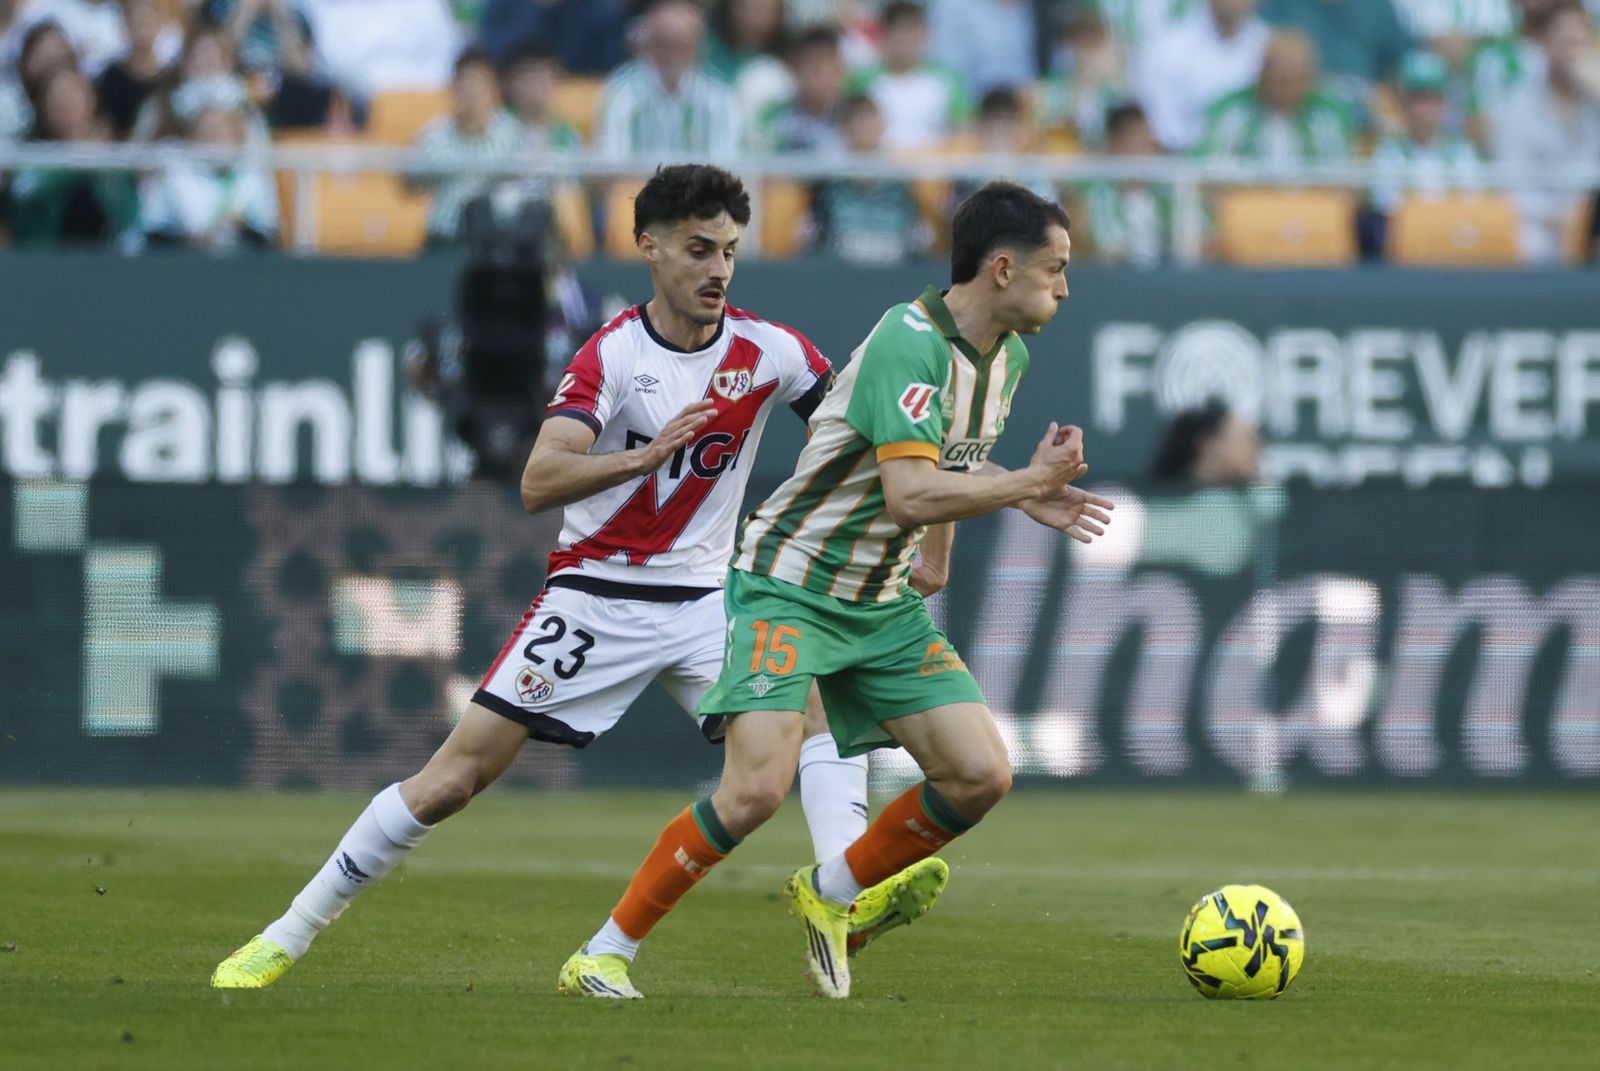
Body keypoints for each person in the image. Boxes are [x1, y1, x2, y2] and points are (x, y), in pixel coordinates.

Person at [208, 164, 951, 991]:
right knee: (454, 779)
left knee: (814, 719)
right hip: (597, 596)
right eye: (699, 250)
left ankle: (829, 894)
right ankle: (286, 933)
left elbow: (858, 436)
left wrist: (918, 505)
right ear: (650, 249)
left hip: (712, 599)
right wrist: (645, 454)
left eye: (730, 252)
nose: (717, 270)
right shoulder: (614, 354)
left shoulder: (770, 350)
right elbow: (538, 479)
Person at [558, 181, 1115, 1001]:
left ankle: (834, 891)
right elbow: (910, 494)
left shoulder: (1009, 356)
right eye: (1055, 268)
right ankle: (603, 952)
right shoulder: (907, 338)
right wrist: (1024, 482)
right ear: (1002, 268)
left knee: (980, 774)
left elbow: (947, 461)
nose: (1064, 288)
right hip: (790, 585)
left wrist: (964, 536)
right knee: (753, 791)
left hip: (879, 601)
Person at [1487, 1, 1600, 264]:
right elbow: (1511, 187)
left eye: (1580, 41)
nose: (1573, 52)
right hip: (1539, 229)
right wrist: (1560, 217)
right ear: (1545, 45)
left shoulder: (1595, 102)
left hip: (1592, 225)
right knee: (1529, 243)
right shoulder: (1517, 108)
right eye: (1565, 40)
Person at [3, 64, 140, 246]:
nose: (66, 103)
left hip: (107, 261)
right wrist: (80, 161)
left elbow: (130, 215)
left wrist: (97, 161)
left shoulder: (110, 157)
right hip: (41, 257)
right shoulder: (31, 156)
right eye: (57, 96)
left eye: (73, 93)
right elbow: (24, 197)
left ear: (91, 98)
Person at [595, 0, 743, 158]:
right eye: (664, 43)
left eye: (682, 45)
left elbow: (728, 164)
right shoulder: (621, 92)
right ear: (648, 45)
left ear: (698, 48)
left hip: (701, 184)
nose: (672, 54)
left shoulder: (720, 96)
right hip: (637, 183)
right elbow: (610, 164)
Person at [409, 47, 524, 246]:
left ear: (495, 90)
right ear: (452, 90)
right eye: (464, 84)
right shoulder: (434, 135)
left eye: (479, 84)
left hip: (498, 239)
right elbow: (409, 184)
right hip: (444, 237)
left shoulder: (513, 133)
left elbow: (525, 182)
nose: (471, 93)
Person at [1197, 30, 1356, 169]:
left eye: (1292, 79)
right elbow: (1204, 172)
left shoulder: (1328, 114)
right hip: (1246, 200)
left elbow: (1347, 180)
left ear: (1309, 80)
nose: (1283, 87)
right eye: (1277, 76)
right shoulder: (1232, 111)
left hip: (1312, 201)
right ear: (1261, 73)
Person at [140, 96, 278, 249]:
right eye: (203, 133)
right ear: (190, 137)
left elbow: (266, 232)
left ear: (237, 137)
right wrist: (190, 239)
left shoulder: (251, 177)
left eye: (218, 133)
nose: (210, 140)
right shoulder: (173, 173)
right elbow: (153, 229)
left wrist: (238, 228)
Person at [1135, 0, 1270, 150]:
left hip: (1253, 164)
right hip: (1184, 162)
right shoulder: (1167, 50)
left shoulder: (1269, 47)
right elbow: (1161, 125)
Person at [808, 94, 926, 263]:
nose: (865, 128)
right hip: (843, 264)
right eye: (857, 121)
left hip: (896, 262)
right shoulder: (828, 181)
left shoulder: (905, 177)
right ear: (843, 129)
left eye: (870, 120)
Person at [843, 0, 973, 150]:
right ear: (885, 34)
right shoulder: (861, 80)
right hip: (877, 167)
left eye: (913, 31)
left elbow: (964, 132)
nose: (906, 39)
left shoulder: (950, 79)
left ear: (925, 34)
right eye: (900, 31)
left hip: (935, 168)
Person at [1369, 50, 1483, 220]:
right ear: (1404, 103)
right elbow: (1386, 206)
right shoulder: (1389, 151)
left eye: (1433, 99)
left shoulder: (1462, 152)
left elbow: (1473, 202)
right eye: (1419, 99)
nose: (1425, 109)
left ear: (1444, 103)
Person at [1074, 102, 1172, 266]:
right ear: (1112, 145)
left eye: (1146, 143)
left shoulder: (1171, 196)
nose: (1142, 154)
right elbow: (1089, 251)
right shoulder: (1090, 198)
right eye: (1133, 143)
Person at [753, 23, 846, 154]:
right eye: (811, 62)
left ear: (840, 68)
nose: (819, 71)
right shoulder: (774, 116)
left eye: (826, 62)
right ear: (795, 68)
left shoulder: (858, 114)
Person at [927, 0, 1038, 96]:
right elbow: (949, 79)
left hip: (1033, 110)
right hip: (975, 112)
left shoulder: (1042, 8)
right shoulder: (954, 7)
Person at [93, 0, 168, 138]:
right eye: (137, 23)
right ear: (124, 26)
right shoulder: (111, 76)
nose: (143, 30)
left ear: (160, 25)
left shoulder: (170, 77)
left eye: (148, 22)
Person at [1149, 400, 1261, 485]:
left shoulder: (1256, 509)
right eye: (1249, 439)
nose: (1257, 449)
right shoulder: (1160, 508)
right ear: (1208, 444)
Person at [501, 44, 582, 153]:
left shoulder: (568, 134)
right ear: (510, 83)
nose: (535, 86)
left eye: (541, 77)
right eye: (527, 78)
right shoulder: (498, 126)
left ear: (556, 81)